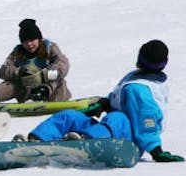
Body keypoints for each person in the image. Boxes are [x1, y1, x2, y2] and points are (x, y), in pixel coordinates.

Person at [12, 40, 183, 163]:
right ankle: (36, 140)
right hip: (108, 133)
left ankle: (84, 142)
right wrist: (104, 104)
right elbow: (117, 98)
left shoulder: (139, 90)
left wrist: (156, 151)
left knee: (117, 118)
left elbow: (147, 123)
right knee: (70, 116)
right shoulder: (136, 78)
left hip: (130, 144)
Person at [0, 18, 71, 104]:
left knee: (56, 78)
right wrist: (18, 72)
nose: (29, 44)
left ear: (38, 39)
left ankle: (41, 94)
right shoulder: (18, 52)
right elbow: (4, 70)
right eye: (25, 42)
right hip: (27, 91)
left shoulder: (49, 48)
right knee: (13, 83)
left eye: (32, 40)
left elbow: (63, 64)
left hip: (53, 93)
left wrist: (44, 74)